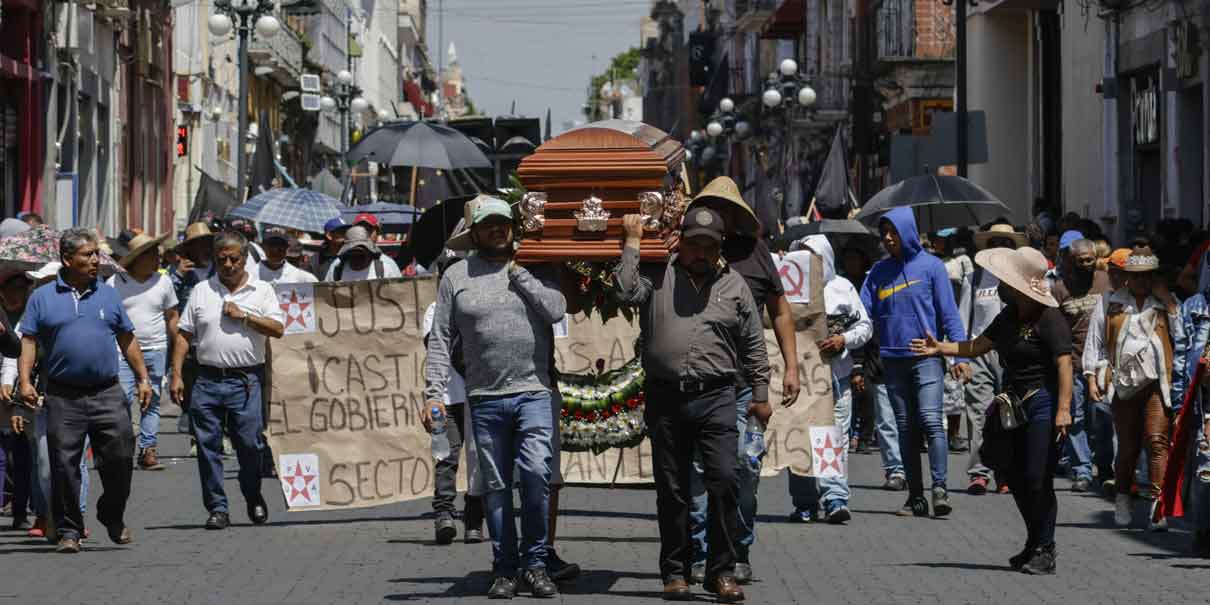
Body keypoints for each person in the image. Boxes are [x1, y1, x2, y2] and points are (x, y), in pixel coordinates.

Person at [614, 207, 770, 603]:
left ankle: (721, 572)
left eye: (709, 246)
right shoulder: (656, 274)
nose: (700, 253)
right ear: (679, 242)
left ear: (719, 248)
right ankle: (675, 572)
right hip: (666, 396)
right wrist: (632, 244)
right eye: (694, 244)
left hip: (717, 395)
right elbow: (625, 292)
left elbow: (753, 343)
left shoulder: (735, 286)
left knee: (724, 480)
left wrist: (762, 395)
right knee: (673, 489)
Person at [423, 196, 567, 599]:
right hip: (484, 398)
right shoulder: (456, 275)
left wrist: (521, 275)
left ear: (513, 227)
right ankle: (505, 569)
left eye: (504, 223)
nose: (498, 230)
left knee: (537, 475)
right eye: (489, 225)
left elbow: (557, 310)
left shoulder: (535, 265)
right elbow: (440, 340)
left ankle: (536, 564)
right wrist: (433, 395)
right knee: (496, 486)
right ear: (476, 233)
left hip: (533, 393)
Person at [912, 245, 1073, 575]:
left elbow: (1064, 363)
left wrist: (1064, 409)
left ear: (1020, 285)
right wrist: (940, 347)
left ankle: (1045, 548)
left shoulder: (1049, 317)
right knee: (1012, 473)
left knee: (1037, 477)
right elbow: (977, 346)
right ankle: (1034, 542)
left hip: (1042, 401)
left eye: (1006, 280)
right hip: (1013, 402)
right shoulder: (1008, 316)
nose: (1000, 285)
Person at [683, 177, 800, 586]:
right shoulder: (683, 254)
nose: (718, 214)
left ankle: (739, 550)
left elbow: (781, 310)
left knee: (744, 472)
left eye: (724, 208)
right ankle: (700, 555)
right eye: (710, 206)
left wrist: (791, 366)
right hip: (698, 387)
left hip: (746, 388)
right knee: (699, 474)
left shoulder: (754, 253)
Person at [18, 229, 152, 553]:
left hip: (107, 393)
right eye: (88, 255)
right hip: (63, 395)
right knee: (64, 465)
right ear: (67, 259)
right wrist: (24, 381)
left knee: (120, 457)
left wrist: (143, 377)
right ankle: (69, 530)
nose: (96, 260)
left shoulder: (107, 294)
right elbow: (29, 341)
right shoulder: (43, 297)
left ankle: (111, 513)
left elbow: (126, 337)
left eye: (96, 254)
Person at [170, 231, 285, 530]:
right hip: (206, 380)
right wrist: (177, 375)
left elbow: (277, 328)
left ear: (245, 259)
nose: (229, 265)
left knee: (250, 445)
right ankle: (217, 508)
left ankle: (252, 494)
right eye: (222, 260)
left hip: (246, 382)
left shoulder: (262, 291)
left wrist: (244, 316)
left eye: (234, 259)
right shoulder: (202, 291)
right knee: (208, 447)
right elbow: (184, 335)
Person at [860, 207, 969, 518]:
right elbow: (862, 311)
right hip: (893, 361)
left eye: (893, 231)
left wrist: (958, 355)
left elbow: (949, 316)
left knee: (932, 421)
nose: (888, 238)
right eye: (884, 233)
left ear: (907, 231)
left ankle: (940, 488)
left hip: (927, 359)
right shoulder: (878, 272)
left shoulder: (933, 267)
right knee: (906, 428)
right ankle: (916, 496)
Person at [1084, 247, 1179, 530]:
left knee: (1157, 441)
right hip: (1123, 386)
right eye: (1135, 276)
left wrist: (1169, 305)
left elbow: (1182, 336)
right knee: (1128, 447)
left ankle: (1157, 507)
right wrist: (1091, 376)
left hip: (1156, 384)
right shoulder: (1110, 302)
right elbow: (1096, 340)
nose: (1141, 281)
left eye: (1147, 276)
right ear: (1126, 277)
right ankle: (1123, 498)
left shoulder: (1165, 303)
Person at [787, 235, 871, 525]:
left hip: (838, 376)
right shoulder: (790, 291)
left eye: (815, 258)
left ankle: (835, 497)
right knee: (798, 438)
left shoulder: (842, 288)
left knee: (832, 438)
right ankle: (805, 502)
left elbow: (865, 325)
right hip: (802, 379)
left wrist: (843, 339)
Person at [959, 222, 1026, 495]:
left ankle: (1007, 473)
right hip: (980, 354)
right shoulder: (974, 279)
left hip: (1013, 354)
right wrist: (959, 360)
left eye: (1006, 243)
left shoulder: (1023, 279)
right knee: (978, 415)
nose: (1001, 248)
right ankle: (979, 473)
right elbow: (963, 320)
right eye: (995, 242)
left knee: (1011, 416)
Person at [422, 254, 484, 546]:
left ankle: (474, 520)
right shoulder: (433, 311)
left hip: (478, 396)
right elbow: (436, 345)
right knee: (444, 455)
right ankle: (444, 515)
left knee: (478, 460)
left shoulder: (479, 306)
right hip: (444, 399)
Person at [108, 233, 178, 471]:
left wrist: (177, 345)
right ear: (136, 259)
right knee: (123, 399)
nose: (157, 259)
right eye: (151, 255)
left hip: (156, 349)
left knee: (153, 399)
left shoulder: (164, 282)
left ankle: (148, 449)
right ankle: (124, 446)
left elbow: (171, 316)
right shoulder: (115, 283)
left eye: (157, 254)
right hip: (122, 350)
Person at [1048, 236, 1112, 493]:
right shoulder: (1060, 289)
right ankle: (1082, 470)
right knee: (1076, 419)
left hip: (1101, 365)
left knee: (1102, 418)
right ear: (1070, 262)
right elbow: (1055, 328)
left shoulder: (1106, 283)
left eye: (1090, 260)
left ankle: (1106, 469)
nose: (1086, 264)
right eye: (1081, 261)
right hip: (1072, 364)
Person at [323, 226, 402, 282]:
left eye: (361, 252)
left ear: (369, 251)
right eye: (353, 253)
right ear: (346, 252)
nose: (357, 257)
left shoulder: (384, 269)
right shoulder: (336, 269)